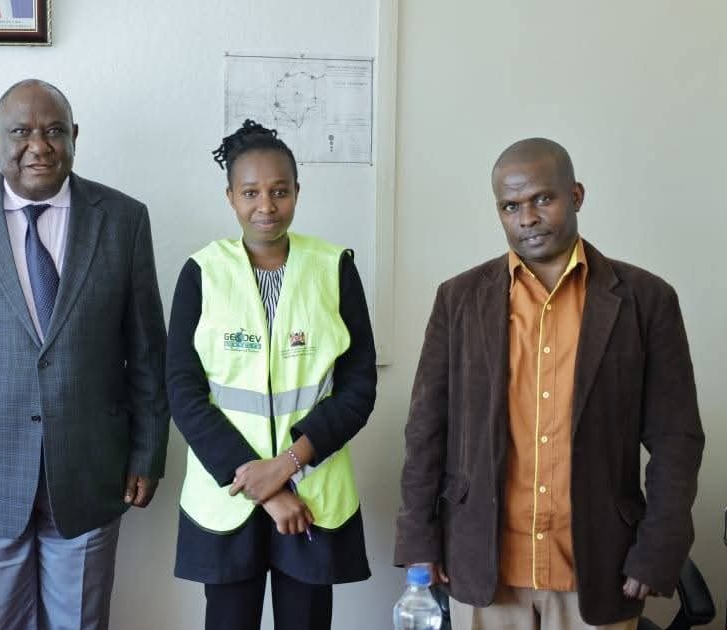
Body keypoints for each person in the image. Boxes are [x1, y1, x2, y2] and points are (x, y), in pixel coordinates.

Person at [394, 138, 705, 629]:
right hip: (483, 565)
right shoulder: (459, 300)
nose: (527, 218)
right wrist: (418, 540)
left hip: (598, 566)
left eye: (543, 198)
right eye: (511, 206)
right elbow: (426, 430)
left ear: (576, 195)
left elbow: (676, 439)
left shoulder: (646, 300)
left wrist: (659, 547)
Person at [0, 79, 169, 630]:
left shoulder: (124, 219)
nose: (38, 146)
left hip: (90, 469)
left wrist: (148, 452)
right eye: (21, 131)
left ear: (75, 137)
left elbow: (146, 350)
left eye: (54, 131)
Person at [166, 120, 377, 630]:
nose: (266, 205)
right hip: (228, 495)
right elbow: (182, 390)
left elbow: (358, 387)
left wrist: (287, 465)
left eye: (280, 191)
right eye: (251, 193)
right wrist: (263, 485)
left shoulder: (333, 268)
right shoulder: (202, 272)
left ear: (297, 192)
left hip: (312, 493)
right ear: (230, 197)